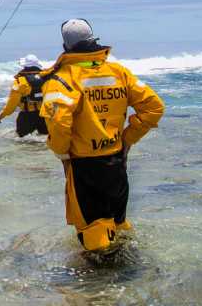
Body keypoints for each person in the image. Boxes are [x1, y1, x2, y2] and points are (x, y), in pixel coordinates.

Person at [40, 19, 164, 252]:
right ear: (93, 39)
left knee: (94, 233)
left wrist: (61, 152)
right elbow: (154, 108)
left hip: (84, 166)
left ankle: (99, 285)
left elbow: (59, 121)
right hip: (117, 162)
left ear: (66, 46)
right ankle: (131, 278)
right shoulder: (119, 72)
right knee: (118, 225)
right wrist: (127, 140)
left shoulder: (62, 78)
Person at [0, 54, 48, 137]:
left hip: (26, 118)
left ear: (25, 66)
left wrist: (1, 115)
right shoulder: (47, 79)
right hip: (44, 116)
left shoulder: (20, 82)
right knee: (45, 142)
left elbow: (11, 105)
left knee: (22, 142)